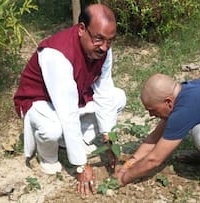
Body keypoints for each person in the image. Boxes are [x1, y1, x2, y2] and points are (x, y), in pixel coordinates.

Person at [13, 3, 126, 196]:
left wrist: (108, 138)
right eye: (98, 39)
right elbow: (67, 112)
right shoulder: (57, 54)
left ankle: (68, 141)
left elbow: (104, 91)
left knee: (117, 97)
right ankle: (47, 156)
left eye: (110, 41)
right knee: (52, 129)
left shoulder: (103, 49)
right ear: (82, 29)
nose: (104, 47)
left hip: (74, 97)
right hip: (39, 100)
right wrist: (81, 165)